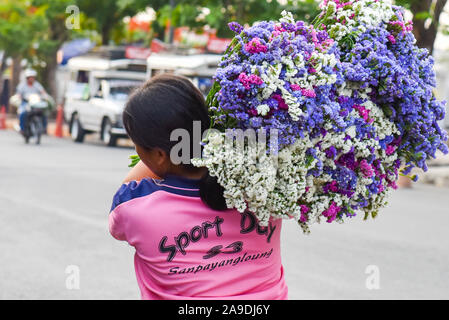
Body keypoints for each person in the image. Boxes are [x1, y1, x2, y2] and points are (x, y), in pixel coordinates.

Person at [109, 74, 288, 300]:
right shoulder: (263, 185)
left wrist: (179, 153)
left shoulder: (135, 208)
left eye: (137, 144)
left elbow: (120, 207)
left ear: (159, 154)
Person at [16, 69, 49, 134]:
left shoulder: (37, 85)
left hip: (35, 103)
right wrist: (20, 96)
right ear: (27, 78)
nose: (32, 79)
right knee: (22, 114)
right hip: (26, 102)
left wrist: (45, 96)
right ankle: (22, 129)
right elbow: (19, 94)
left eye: (33, 77)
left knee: (44, 113)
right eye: (30, 77)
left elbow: (43, 92)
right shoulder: (22, 85)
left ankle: (44, 128)